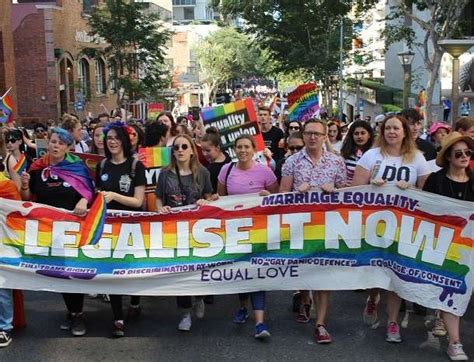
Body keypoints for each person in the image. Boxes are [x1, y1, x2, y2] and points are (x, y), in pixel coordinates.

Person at [351, 115, 431, 343]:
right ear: (382, 131)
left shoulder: (417, 158)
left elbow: (429, 194)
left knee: (395, 272)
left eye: (396, 128)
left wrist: (413, 189)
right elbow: (354, 190)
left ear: (405, 131)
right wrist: (370, 185)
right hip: (374, 224)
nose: (391, 132)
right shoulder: (371, 156)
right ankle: (372, 298)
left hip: (404, 225)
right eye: (387, 128)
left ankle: (393, 322)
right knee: (377, 271)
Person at [20, 127, 95, 337]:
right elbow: (27, 198)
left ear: (68, 147)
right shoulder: (36, 167)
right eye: (53, 141)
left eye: (61, 143)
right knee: (59, 272)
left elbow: (89, 190)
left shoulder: (76, 166)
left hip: (72, 228)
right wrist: (25, 186)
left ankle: (78, 314)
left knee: (73, 271)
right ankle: (71, 311)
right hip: (47, 228)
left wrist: (83, 199)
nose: (55, 146)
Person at [279, 119, 347, 344]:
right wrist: (297, 192)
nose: (313, 137)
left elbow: (348, 196)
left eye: (318, 133)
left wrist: (335, 190)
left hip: (328, 225)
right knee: (305, 269)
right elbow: (282, 195)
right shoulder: (291, 162)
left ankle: (321, 323)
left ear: (325, 136)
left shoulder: (336, 162)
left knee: (324, 275)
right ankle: (305, 301)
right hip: (300, 225)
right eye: (309, 133)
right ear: (303, 135)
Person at [217, 134, 278, 339]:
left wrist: (266, 197)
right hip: (234, 230)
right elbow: (221, 199)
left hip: (259, 230)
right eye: (239, 147)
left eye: (246, 147)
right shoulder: (226, 170)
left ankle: (260, 322)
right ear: (234, 150)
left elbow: (277, 200)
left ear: (254, 149)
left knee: (257, 272)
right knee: (240, 271)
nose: (242, 150)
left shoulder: (265, 172)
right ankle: (243, 307)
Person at [422, 131, 473, 361]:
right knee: (453, 290)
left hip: (470, 247)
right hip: (444, 246)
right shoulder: (436, 180)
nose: (464, 157)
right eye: (459, 153)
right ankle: (455, 342)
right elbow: (423, 209)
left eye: (468, 152)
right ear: (449, 158)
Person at [155, 134, 213, 332]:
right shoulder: (165, 173)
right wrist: (160, 209)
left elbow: (209, 197)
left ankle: (199, 297)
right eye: (176, 147)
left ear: (191, 150)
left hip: (198, 230)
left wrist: (206, 202)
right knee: (180, 272)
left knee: (197, 269)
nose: (179, 150)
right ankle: (185, 313)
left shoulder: (202, 172)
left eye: (184, 146)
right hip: (175, 230)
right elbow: (158, 199)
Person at [95, 122, 146, 337]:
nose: (112, 142)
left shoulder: (135, 166)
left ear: (124, 141)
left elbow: (138, 201)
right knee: (112, 271)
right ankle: (117, 318)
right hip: (108, 227)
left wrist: (115, 196)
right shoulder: (102, 165)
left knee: (131, 270)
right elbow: (97, 194)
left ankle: (134, 303)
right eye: (109, 139)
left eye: (116, 138)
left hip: (131, 227)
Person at [340, 120, 374, 185]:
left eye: (363, 133)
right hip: (347, 191)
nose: (359, 136)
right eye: (356, 133)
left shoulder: (374, 154)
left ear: (369, 135)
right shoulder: (345, 153)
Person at [201, 127, 231, 197]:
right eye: (202, 150)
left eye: (208, 150)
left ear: (217, 148)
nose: (204, 154)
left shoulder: (210, 170)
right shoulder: (225, 154)